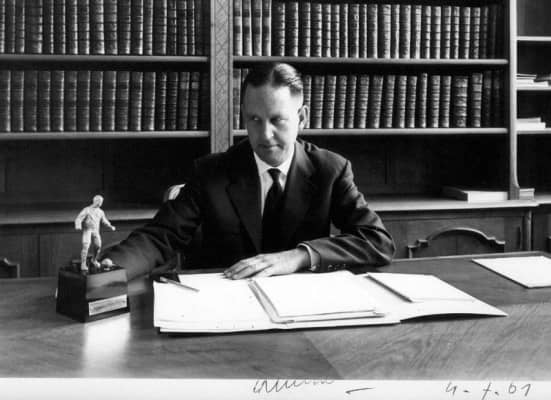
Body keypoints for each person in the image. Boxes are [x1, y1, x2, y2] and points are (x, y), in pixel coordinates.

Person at [102, 63, 395, 280]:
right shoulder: (211, 172)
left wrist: (300, 256)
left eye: (277, 120)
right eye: (254, 119)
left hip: (302, 309)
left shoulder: (330, 170)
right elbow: (159, 237)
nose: (264, 134)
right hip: (226, 308)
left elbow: (377, 241)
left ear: (302, 117)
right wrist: (105, 271)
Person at [75, 195, 116, 271]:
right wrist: (78, 225)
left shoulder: (101, 212)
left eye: (102, 202)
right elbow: (79, 218)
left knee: (98, 246)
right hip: (87, 230)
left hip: (96, 230)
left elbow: (104, 220)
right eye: (100, 201)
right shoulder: (87, 210)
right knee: (86, 245)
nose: (101, 203)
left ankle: (94, 260)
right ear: (95, 201)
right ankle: (83, 264)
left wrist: (110, 226)